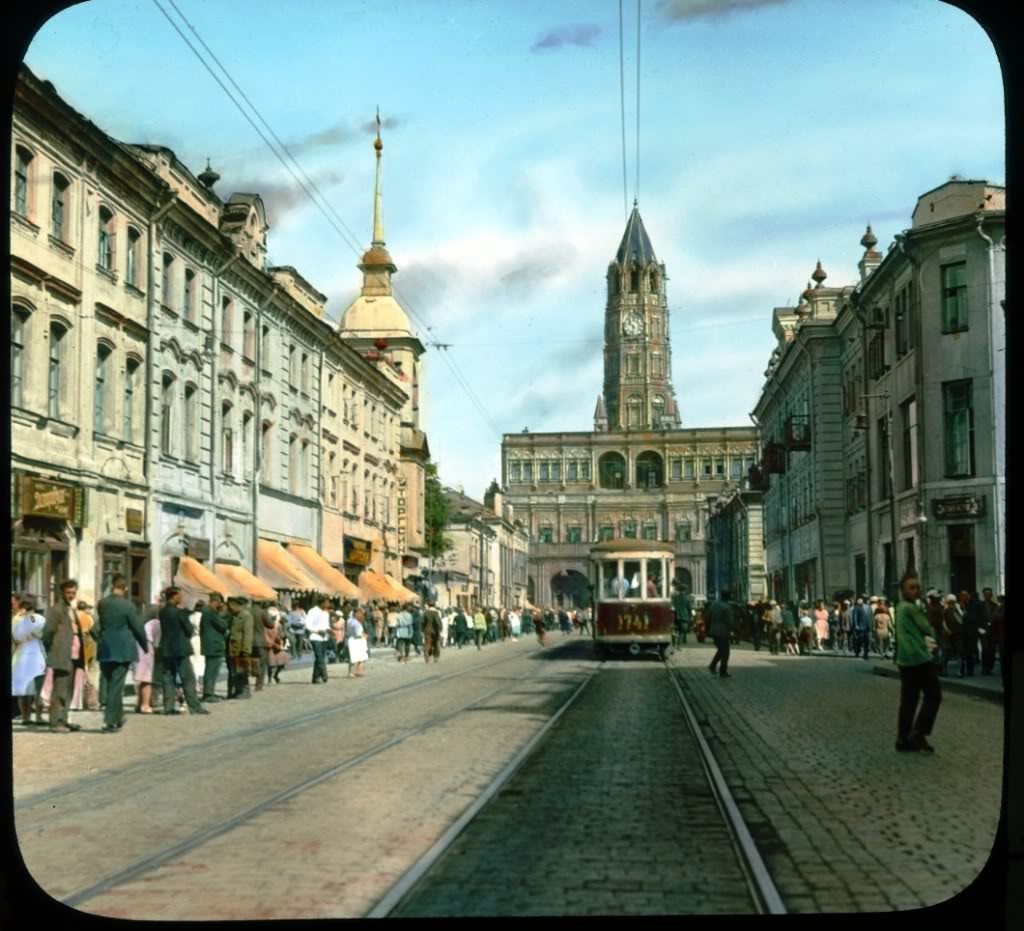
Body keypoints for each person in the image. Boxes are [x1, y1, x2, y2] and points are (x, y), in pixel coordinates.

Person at [93, 575, 149, 732]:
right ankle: (109, 721)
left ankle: (117, 718)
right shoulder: (128, 606)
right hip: (122, 649)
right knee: (116, 685)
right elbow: (137, 627)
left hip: (105, 648)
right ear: (125, 588)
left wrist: (100, 639)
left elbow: (98, 626)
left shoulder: (102, 604)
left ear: (112, 586)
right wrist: (145, 646)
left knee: (110, 681)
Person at [894, 572, 942, 753]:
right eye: (912, 588)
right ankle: (919, 732)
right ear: (903, 590)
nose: (916, 590)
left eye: (918, 587)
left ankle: (902, 739)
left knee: (909, 700)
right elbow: (927, 628)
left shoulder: (899, 607)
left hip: (904, 660)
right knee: (934, 695)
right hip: (919, 658)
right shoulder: (912, 608)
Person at [42, 579, 85, 733]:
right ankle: (56, 722)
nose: (71, 596)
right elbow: (47, 633)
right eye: (68, 593)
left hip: (73, 655)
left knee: (68, 690)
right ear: (62, 593)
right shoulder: (57, 610)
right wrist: (52, 651)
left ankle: (64, 719)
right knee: (60, 689)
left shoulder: (70, 608)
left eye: (73, 593)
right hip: (62, 654)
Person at [158, 587, 209, 715]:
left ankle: (168, 707)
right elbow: (189, 630)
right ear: (174, 596)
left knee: (168, 678)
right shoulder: (179, 613)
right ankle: (194, 706)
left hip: (166, 648)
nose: (181, 598)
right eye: (180, 595)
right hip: (180, 649)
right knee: (188, 678)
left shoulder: (163, 612)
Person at [12, 594, 47, 726]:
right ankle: (38, 716)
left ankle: (26, 716)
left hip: (21, 654)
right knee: (37, 687)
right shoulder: (33, 618)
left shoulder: (16, 619)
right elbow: (38, 630)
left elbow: (16, 636)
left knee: (23, 689)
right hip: (35, 654)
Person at [199, 592, 228, 702]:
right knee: (212, 670)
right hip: (213, 645)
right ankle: (208, 693)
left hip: (210, 644)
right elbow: (223, 625)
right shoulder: (211, 612)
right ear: (215, 601)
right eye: (219, 602)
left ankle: (209, 692)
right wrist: (222, 613)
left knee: (212, 669)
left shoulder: (206, 612)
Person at [226, 597, 254, 699]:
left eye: (231, 606)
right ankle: (236, 691)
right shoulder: (234, 616)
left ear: (237, 605)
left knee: (242, 671)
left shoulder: (246, 616)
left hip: (241, 648)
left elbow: (248, 634)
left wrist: (246, 650)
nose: (230, 608)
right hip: (232, 648)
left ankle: (245, 692)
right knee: (234, 672)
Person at [133, 610, 160, 713]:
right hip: (147, 647)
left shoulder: (143, 624)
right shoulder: (156, 623)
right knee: (147, 678)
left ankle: (139, 704)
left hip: (138, 646)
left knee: (141, 678)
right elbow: (157, 643)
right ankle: (145, 705)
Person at [707, 589, 735, 678]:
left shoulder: (714, 605)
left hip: (713, 630)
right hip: (723, 631)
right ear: (728, 597)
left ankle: (712, 665)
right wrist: (733, 630)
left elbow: (708, 617)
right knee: (725, 652)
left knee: (721, 650)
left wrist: (708, 629)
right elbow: (730, 621)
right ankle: (722, 671)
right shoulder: (727, 607)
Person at [306, 596, 331, 684]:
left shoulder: (326, 613)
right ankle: (324, 675)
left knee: (320, 658)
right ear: (322, 602)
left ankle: (315, 677)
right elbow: (308, 625)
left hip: (324, 638)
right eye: (327, 602)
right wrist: (317, 631)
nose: (328, 604)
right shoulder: (313, 611)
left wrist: (329, 630)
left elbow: (326, 625)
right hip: (315, 637)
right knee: (319, 657)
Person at [941, 594, 963, 678]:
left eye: (953, 602)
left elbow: (960, 620)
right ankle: (945, 670)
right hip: (948, 635)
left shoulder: (957, 610)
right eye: (950, 602)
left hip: (957, 635)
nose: (951, 604)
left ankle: (959, 671)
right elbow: (943, 622)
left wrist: (957, 610)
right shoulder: (945, 611)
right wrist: (947, 630)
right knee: (946, 653)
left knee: (959, 652)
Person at [347, 608, 369, 678]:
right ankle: (352, 672)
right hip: (356, 641)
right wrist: (364, 635)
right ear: (356, 614)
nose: (362, 615)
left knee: (354, 657)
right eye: (361, 614)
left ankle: (353, 672)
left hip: (352, 640)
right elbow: (358, 634)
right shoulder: (356, 623)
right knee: (356, 657)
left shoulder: (350, 620)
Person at [980, 588, 997, 675]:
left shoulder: (995, 605)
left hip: (992, 631)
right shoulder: (980, 605)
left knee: (992, 650)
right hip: (983, 631)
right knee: (985, 650)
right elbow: (977, 618)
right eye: (986, 594)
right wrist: (979, 629)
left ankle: (990, 668)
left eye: (989, 594)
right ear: (983, 595)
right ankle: (984, 668)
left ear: (991, 595)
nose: (987, 596)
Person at [851, 596, 872, 660]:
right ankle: (857, 651)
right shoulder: (856, 608)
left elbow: (871, 616)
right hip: (860, 627)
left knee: (867, 641)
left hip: (867, 627)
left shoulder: (868, 607)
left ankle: (866, 654)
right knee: (860, 641)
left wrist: (871, 625)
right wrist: (856, 625)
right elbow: (855, 617)